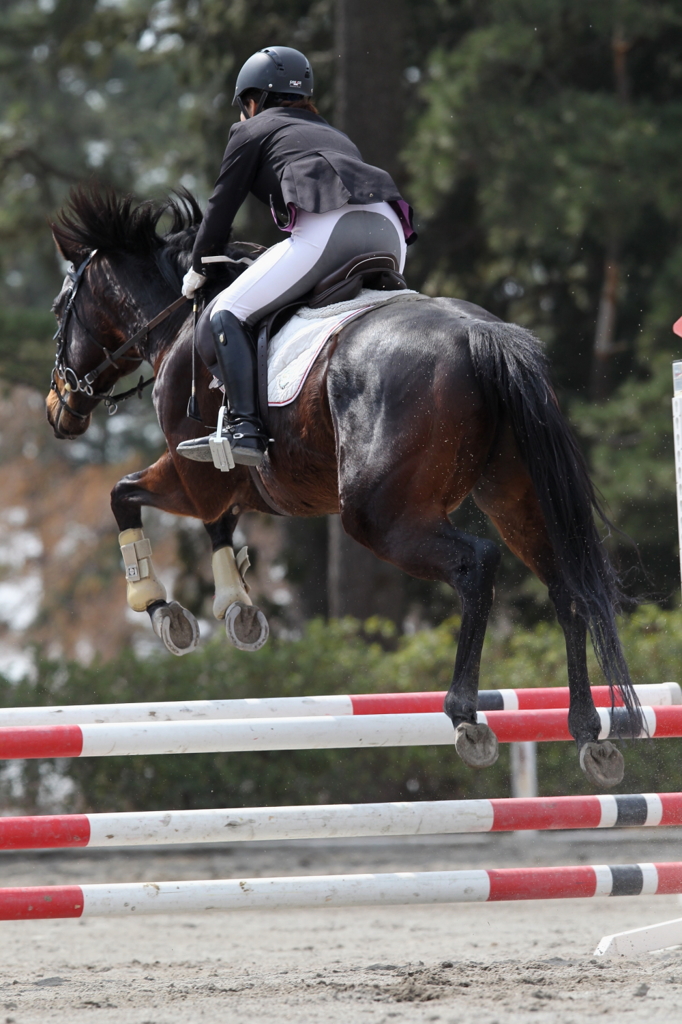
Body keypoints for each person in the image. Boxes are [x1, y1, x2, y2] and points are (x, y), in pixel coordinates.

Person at [177, 45, 416, 468]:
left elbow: (220, 209)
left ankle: (245, 428)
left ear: (253, 100)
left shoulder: (249, 130)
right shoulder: (334, 133)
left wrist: (199, 264)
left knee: (226, 313)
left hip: (330, 232)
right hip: (390, 232)